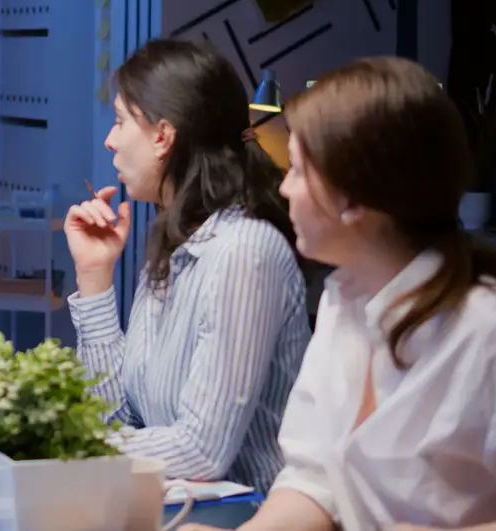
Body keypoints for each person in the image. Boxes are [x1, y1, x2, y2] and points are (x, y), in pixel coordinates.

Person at [183, 57, 496, 531]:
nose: (283, 187)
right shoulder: (343, 303)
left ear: (353, 200)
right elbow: (315, 481)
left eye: (298, 170)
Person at [63, 39, 311, 494]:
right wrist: (95, 278)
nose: (110, 140)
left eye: (120, 122)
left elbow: (201, 452)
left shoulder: (243, 252)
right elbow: (119, 418)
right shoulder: (175, 242)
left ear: (163, 136)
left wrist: (65, 449)